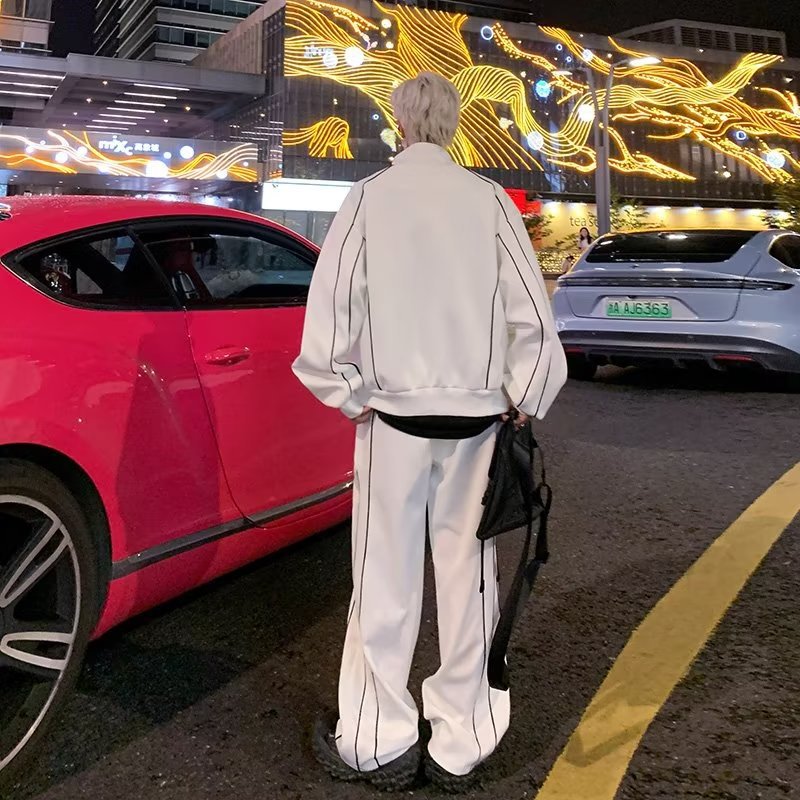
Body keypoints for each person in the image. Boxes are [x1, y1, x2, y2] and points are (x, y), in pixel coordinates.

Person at [292, 71, 567, 792]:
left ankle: (376, 741)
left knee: (383, 580)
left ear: (401, 125)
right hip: (477, 423)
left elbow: (329, 317)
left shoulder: (367, 199)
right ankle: (460, 742)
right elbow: (533, 319)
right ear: (453, 125)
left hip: (393, 421)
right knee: (470, 579)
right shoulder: (490, 202)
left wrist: (348, 392)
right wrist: (523, 396)